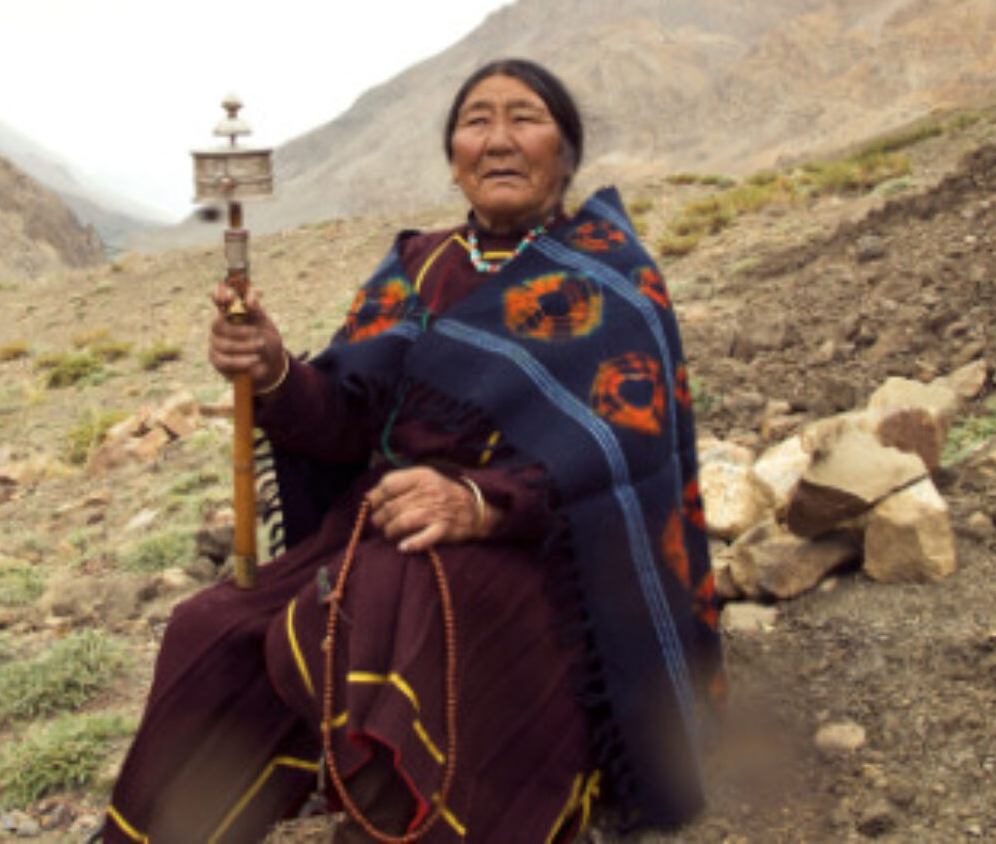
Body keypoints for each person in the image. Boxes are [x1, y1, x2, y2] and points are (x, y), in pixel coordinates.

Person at [102, 59, 721, 843]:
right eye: (476, 120)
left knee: (393, 604)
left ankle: (408, 819)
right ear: (452, 156)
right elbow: (344, 422)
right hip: (387, 517)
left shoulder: (615, 275)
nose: (498, 139)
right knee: (210, 624)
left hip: (548, 548)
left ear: (565, 151)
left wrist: (478, 503)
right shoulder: (419, 265)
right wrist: (273, 369)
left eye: (523, 117)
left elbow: (631, 456)